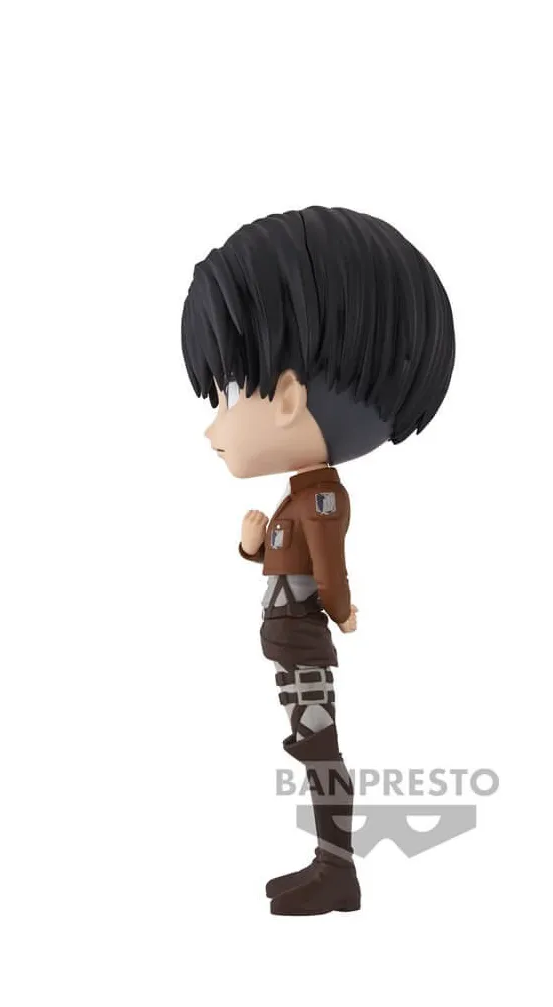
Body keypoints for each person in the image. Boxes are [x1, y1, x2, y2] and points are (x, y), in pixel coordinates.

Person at [181, 206, 455, 915]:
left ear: (288, 397)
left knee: (318, 747)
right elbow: (290, 560)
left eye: (228, 394)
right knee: (310, 744)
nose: (213, 427)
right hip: (289, 638)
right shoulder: (301, 496)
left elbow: (328, 568)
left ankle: (337, 869)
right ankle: (330, 864)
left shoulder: (321, 500)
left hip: (303, 639)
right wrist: (252, 547)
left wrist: (341, 609)